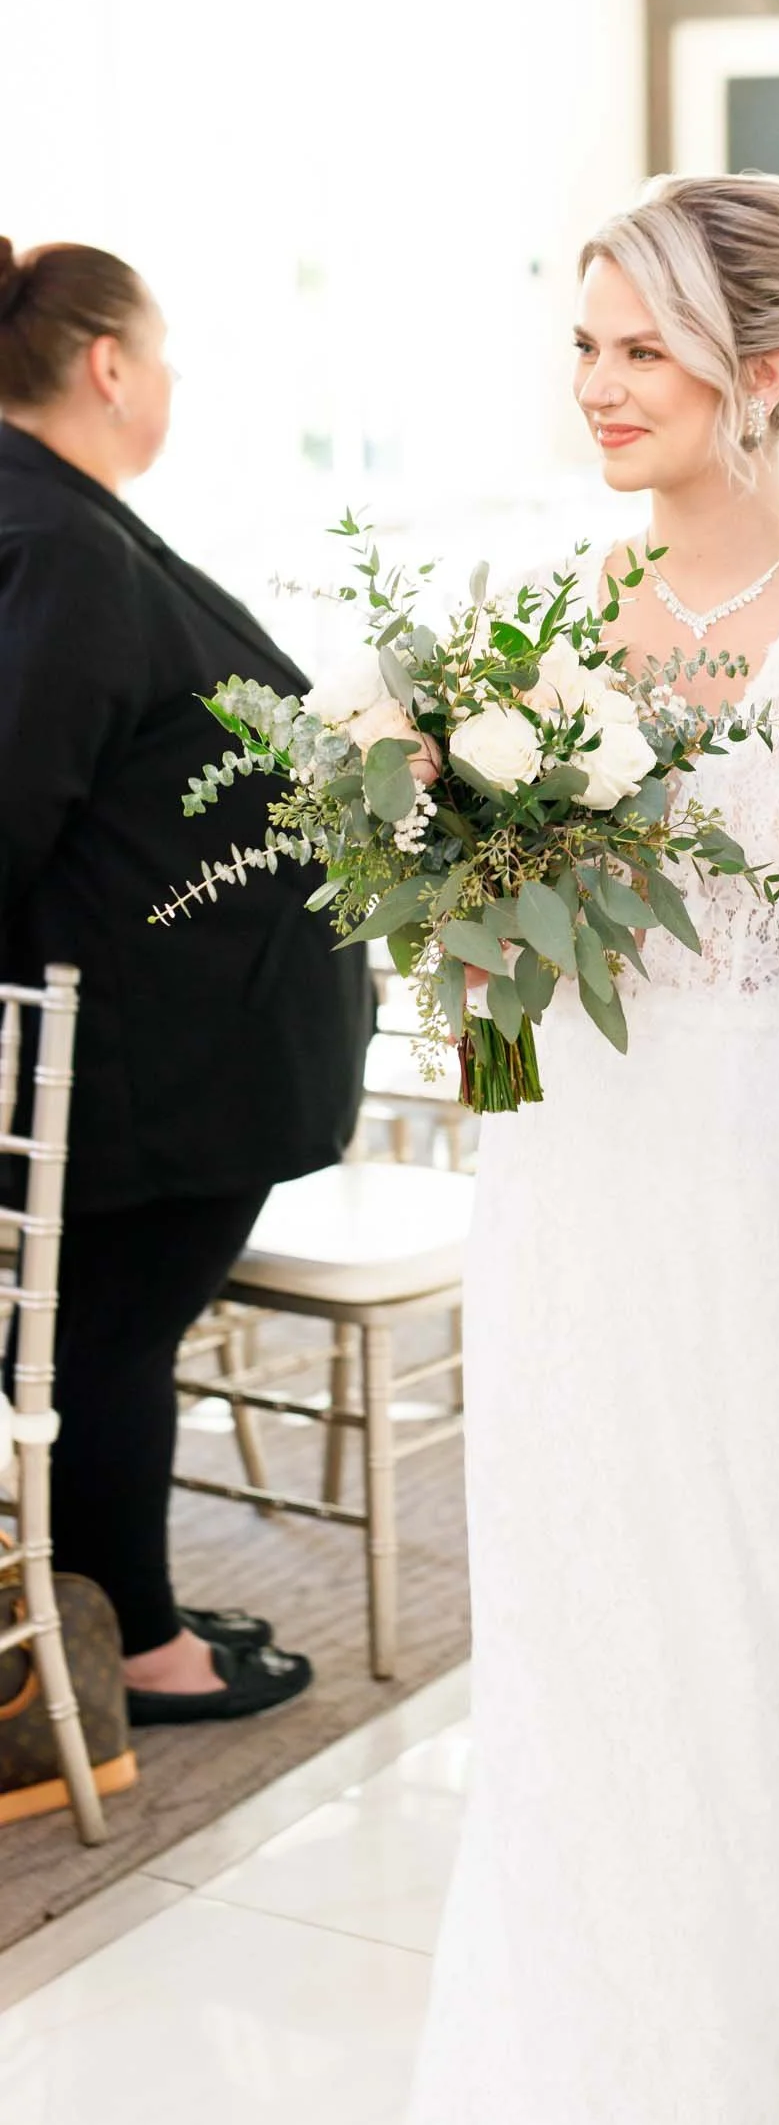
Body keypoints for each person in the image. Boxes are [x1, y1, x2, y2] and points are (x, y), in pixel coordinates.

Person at [410, 174, 779, 2124]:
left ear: (761, 372)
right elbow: (490, 988)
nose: (595, 385)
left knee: (765, 1570)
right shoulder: (537, 617)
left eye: (639, 348)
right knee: (580, 1586)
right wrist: (469, 963)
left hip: (767, 1163)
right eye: (581, 344)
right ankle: (596, 2006)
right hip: (560, 1177)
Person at [0, 238, 373, 1723]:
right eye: (158, 357)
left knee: (103, 1337)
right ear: (107, 365)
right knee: (109, 1342)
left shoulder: (68, 525)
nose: (164, 384)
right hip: (148, 1064)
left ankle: (99, 1620)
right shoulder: (61, 543)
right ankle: (133, 1650)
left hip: (164, 1046)